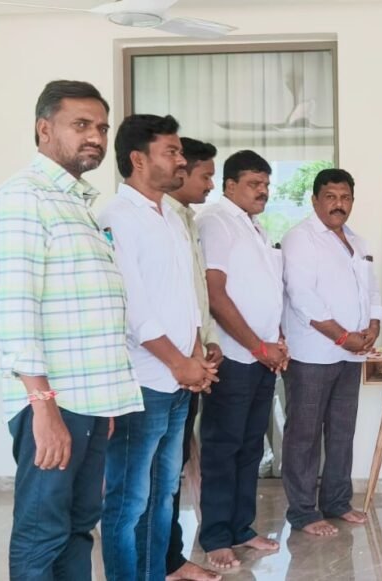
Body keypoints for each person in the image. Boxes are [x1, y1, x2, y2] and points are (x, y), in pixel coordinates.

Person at [0, 80, 143, 581]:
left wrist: (104, 403)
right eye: (81, 125)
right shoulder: (23, 198)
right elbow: (13, 309)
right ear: (44, 129)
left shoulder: (75, 203)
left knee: (78, 526)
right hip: (53, 402)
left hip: (88, 401)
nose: (95, 136)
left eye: (101, 127)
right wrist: (43, 405)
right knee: (43, 530)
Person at [99, 114, 218, 580]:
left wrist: (196, 354)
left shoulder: (170, 214)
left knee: (163, 493)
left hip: (179, 379)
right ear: (137, 159)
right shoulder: (116, 217)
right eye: (171, 152)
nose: (181, 160)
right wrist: (178, 362)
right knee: (129, 500)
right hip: (144, 382)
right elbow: (132, 305)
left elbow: (185, 294)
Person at [196, 149, 287, 568]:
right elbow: (215, 294)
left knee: (251, 446)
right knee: (223, 447)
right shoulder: (215, 221)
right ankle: (216, 536)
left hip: (262, 357)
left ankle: (240, 528)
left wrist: (276, 340)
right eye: (254, 184)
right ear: (230, 185)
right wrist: (257, 346)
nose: (262, 191)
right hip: (234, 356)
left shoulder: (255, 226)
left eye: (266, 184)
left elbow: (265, 289)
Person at [281, 168, 382, 536]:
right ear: (315, 200)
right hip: (312, 354)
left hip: (351, 353)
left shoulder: (357, 240)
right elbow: (302, 297)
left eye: (345, 198)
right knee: (304, 435)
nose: (338, 204)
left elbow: (372, 290)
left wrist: (374, 325)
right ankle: (303, 512)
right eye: (330, 197)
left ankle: (337, 502)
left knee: (342, 431)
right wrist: (342, 337)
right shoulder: (300, 239)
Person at [162, 137, 224, 581]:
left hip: (192, 362)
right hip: (166, 367)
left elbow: (195, 294)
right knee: (157, 477)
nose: (209, 184)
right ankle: (162, 562)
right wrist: (187, 358)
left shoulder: (186, 219)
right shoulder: (156, 220)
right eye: (205, 175)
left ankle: (171, 558)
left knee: (174, 469)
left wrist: (208, 341)